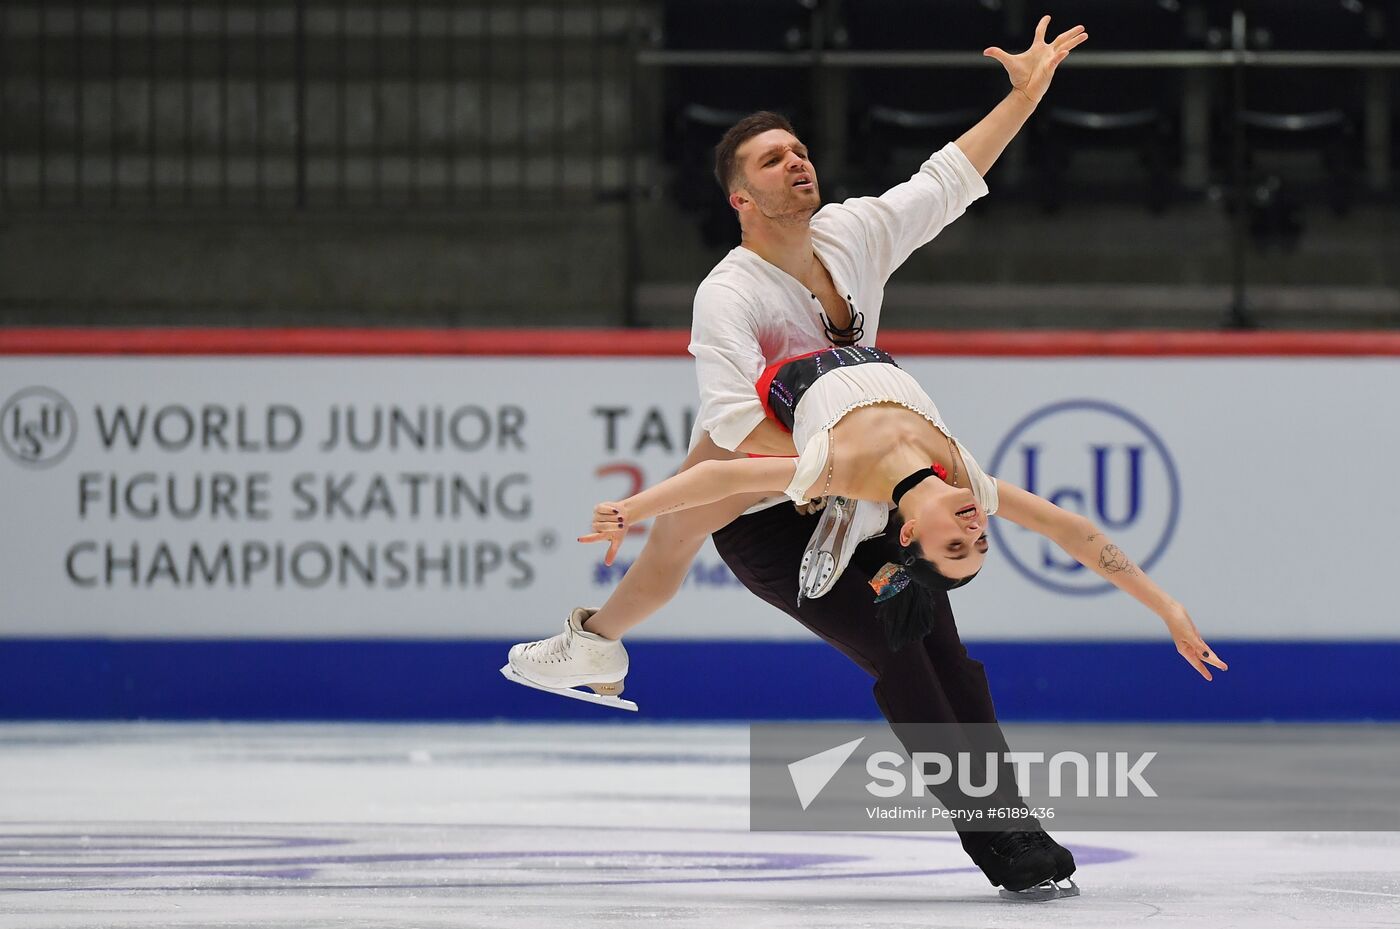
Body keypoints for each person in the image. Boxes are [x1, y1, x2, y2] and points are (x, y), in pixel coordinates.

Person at [506, 17, 1106, 898]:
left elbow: (948, 178)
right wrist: (846, 461)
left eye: (799, 150)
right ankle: (1000, 844)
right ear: (740, 198)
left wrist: (1022, 96)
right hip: (775, 521)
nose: (797, 163)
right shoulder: (729, 294)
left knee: (948, 655)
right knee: (888, 645)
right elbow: (737, 425)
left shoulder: (854, 234)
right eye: (771, 160)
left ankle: (1014, 821)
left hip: (864, 504)